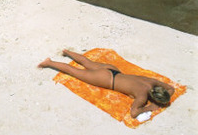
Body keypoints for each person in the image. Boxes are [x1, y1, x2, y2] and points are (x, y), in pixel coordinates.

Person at [38, 49, 174, 118]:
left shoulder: (152, 82)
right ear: (155, 98)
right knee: (73, 71)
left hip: (114, 71)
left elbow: (170, 88)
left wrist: (165, 95)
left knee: (87, 62)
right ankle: (49, 62)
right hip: (107, 80)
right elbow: (134, 113)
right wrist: (150, 108)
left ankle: (67, 51)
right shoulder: (142, 96)